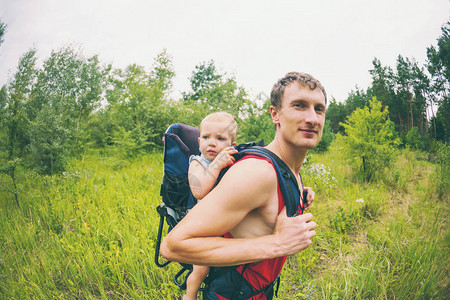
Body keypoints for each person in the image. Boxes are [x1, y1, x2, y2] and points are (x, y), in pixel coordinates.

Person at [161, 71, 326, 299]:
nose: (313, 118)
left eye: (319, 109)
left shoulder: (288, 170)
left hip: (259, 291)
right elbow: (173, 246)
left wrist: (301, 195)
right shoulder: (256, 172)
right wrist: (277, 243)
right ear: (275, 114)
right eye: (299, 105)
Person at [184, 111, 239, 300]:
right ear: (199, 141)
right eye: (206, 137)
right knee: (202, 267)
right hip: (202, 222)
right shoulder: (198, 163)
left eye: (220, 138)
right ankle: (189, 296)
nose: (212, 142)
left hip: (226, 220)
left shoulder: (234, 161)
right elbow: (198, 191)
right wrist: (216, 165)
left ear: (232, 145)